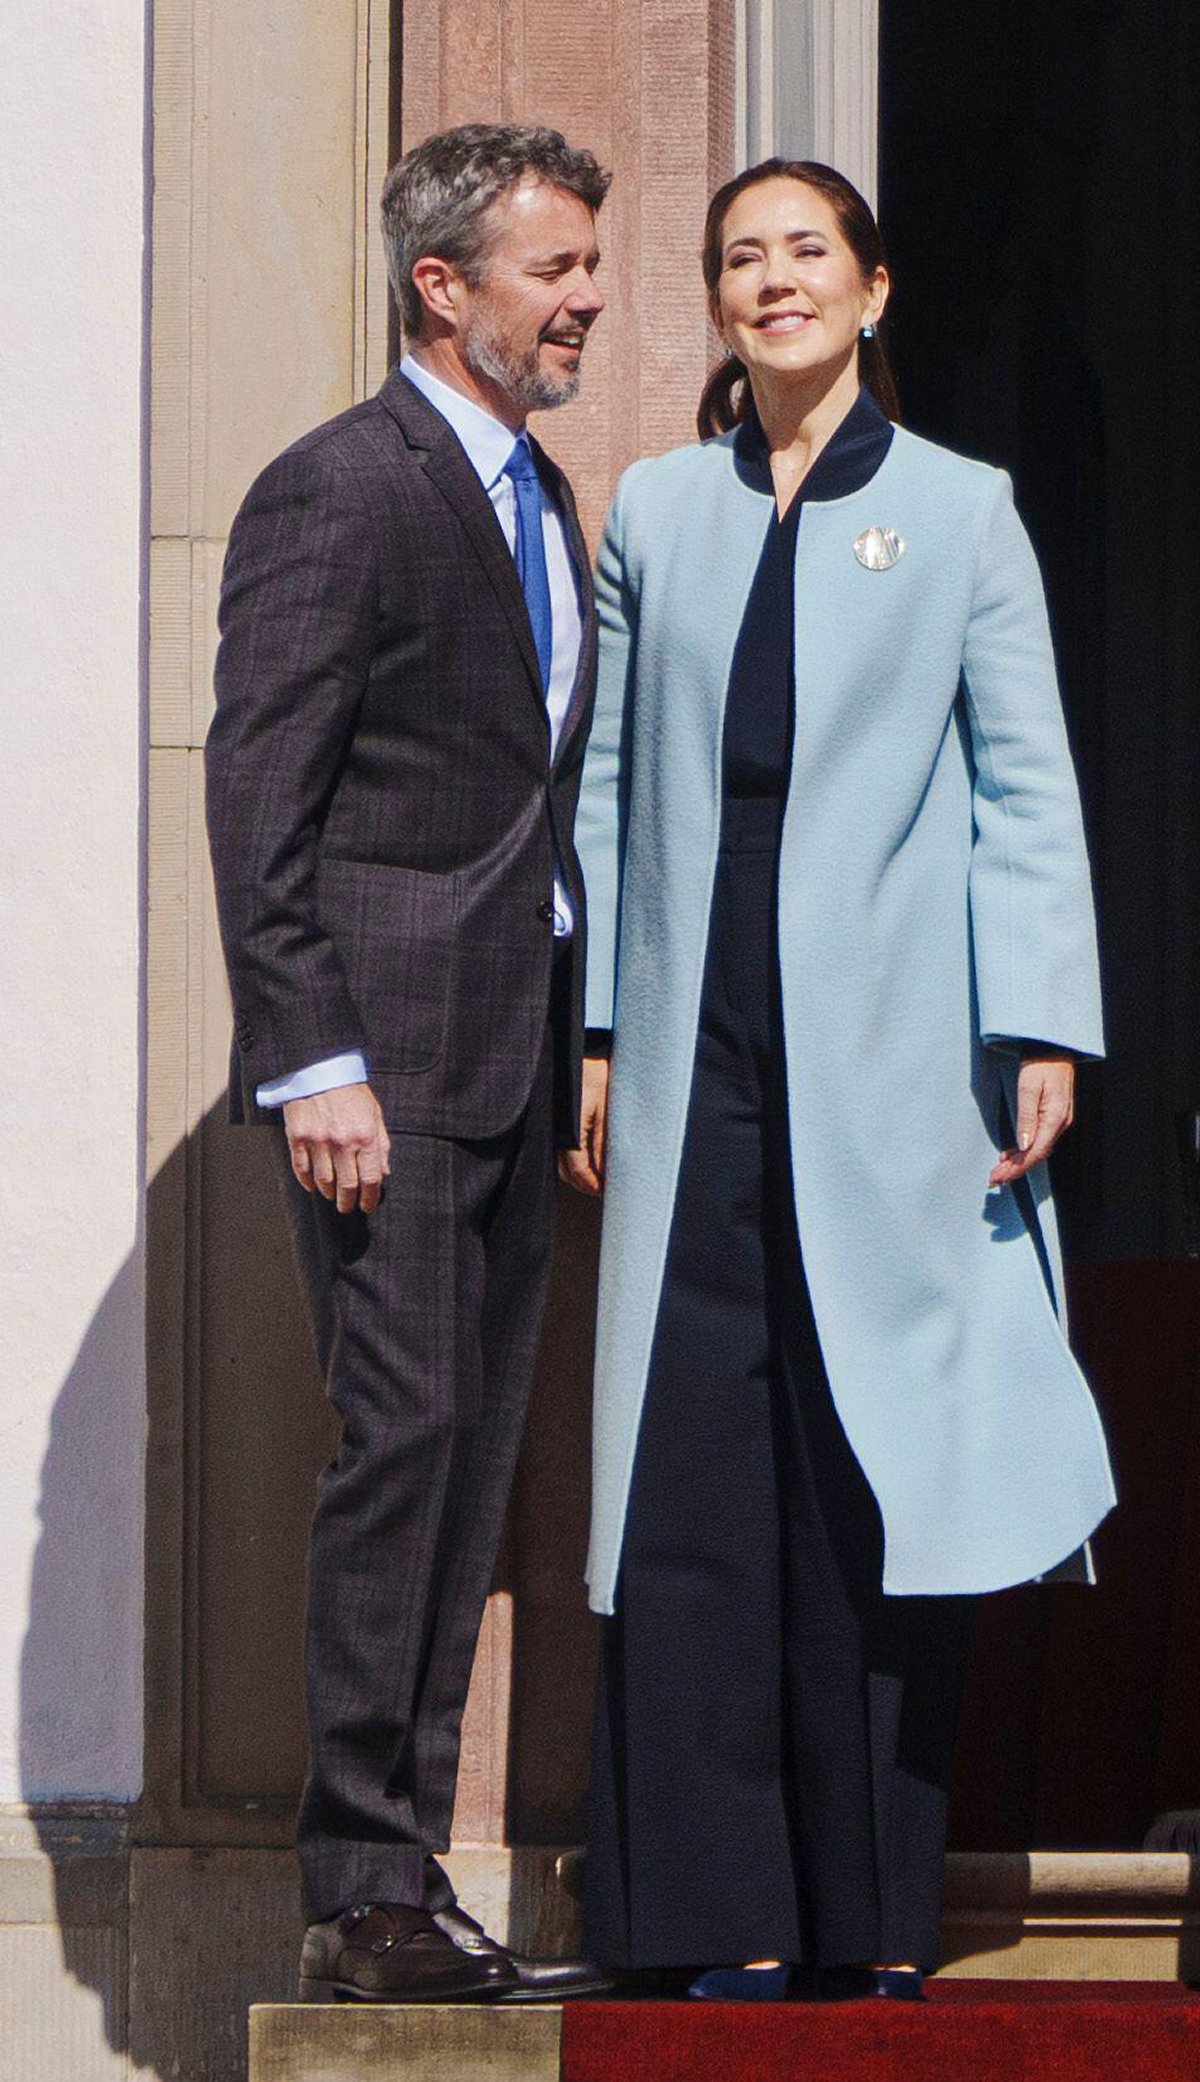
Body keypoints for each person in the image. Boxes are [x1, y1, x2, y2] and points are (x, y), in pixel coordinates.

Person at [564, 158, 1116, 2000]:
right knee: (698, 1464)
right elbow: (614, 784)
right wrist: (597, 1037)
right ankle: (715, 1913)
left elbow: (1028, 780)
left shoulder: (965, 513)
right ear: (717, 303)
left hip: (893, 1058)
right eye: (742, 258)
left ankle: (866, 1917)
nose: (774, 281)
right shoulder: (655, 507)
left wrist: (1039, 1017)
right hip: (693, 1041)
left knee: (864, 1461)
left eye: (808, 253)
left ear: (873, 290)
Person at [206, 122, 613, 2005]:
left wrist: (580, 1031)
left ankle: (413, 1888)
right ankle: (363, 1887)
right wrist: (315, 1061)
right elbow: (260, 799)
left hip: (511, 1067)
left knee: (467, 1465)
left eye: (591, 265)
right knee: (408, 1450)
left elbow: (532, 800)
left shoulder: (552, 502)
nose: (590, 297)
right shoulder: (338, 491)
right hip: (383, 1076)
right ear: (444, 287)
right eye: (558, 268)